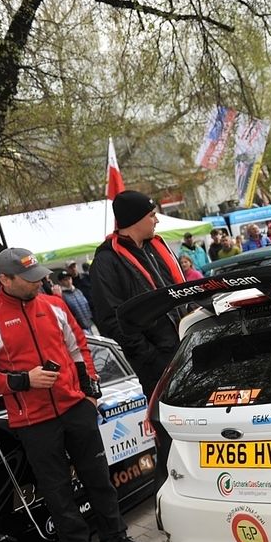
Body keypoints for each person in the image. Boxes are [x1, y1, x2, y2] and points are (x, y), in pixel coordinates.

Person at [0, 247, 152, 542]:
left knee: (99, 479)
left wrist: (90, 393)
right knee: (59, 494)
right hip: (33, 422)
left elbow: (79, 348)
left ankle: (118, 540)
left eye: (39, 276)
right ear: (4, 279)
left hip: (75, 408)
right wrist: (23, 380)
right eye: (29, 279)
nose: (38, 283)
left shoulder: (54, 304)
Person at [91, 190, 186, 485]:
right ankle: (169, 492)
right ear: (135, 220)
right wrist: (151, 356)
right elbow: (111, 321)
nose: (157, 220)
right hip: (157, 362)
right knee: (170, 436)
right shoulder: (107, 262)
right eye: (151, 215)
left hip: (185, 349)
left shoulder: (157, 247)